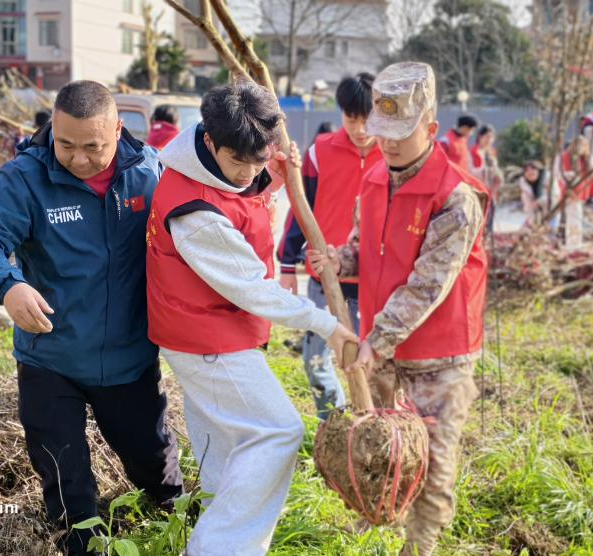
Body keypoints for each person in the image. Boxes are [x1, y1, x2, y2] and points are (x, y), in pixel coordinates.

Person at [0, 81, 183, 555]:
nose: (78, 159)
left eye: (93, 147)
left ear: (117, 130)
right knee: (65, 480)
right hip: (50, 358)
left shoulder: (149, 172)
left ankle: (178, 524)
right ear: (52, 130)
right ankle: (83, 542)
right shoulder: (26, 178)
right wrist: (8, 285)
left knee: (155, 468)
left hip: (129, 359)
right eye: (66, 145)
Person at [145, 80, 358, 556]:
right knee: (279, 430)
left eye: (257, 161)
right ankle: (217, 548)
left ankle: (212, 542)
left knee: (226, 448)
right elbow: (253, 287)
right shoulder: (193, 213)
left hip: (207, 329)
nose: (246, 173)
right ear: (209, 141)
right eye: (237, 161)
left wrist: (276, 176)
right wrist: (327, 325)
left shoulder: (229, 166)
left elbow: (243, 195)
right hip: (206, 338)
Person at [308, 62, 489, 556]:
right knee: (383, 443)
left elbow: (428, 285)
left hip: (441, 352)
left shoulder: (455, 198)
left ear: (430, 128)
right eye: (381, 130)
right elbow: (364, 247)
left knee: (434, 455)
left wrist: (376, 340)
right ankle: (376, 515)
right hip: (384, 344)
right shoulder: (373, 178)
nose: (385, 143)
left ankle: (420, 546)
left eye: (400, 133)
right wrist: (337, 259)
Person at [277, 72, 383, 420]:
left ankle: (374, 424)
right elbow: (300, 206)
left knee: (372, 361)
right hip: (323, 278)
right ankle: (335, 424)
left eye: (368, 120)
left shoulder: (392, 154)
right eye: (352, 119)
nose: (361, 129)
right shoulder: (320, 152)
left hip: (373, 282)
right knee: (317, 362)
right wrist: (288, 264)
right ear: (341, 114)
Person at [557, 135, 593, 248]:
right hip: (568, 191)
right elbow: (559, 174)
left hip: (580, 191)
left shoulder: (585, 159)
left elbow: (590, 174)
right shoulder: (564, 157)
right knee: (571, 217)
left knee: (576, 217)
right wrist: (568, 178)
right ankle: (572, 242)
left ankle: (575, 242)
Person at [471, 124, 503, 229]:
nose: (489, 140)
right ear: (480, 136)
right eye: (487, 137)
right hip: (479, 190)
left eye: (491, 137)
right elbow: (471, 172)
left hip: (492, 189)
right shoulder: (474, 152)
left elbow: (495, 169)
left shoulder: (491, 152)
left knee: (490, 219)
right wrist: (487, 171)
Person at [517, 159, 558, 229]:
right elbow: (528, 208)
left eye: (533, 169)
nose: (530, 172)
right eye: (526, 170)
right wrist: (532, 223)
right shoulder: (525, 187)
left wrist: (539, 202)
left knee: (551, 232)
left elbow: (555, 198)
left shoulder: (549, 180)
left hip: (552, 214)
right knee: (523, 232)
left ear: (539, 170)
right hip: (536, 217)